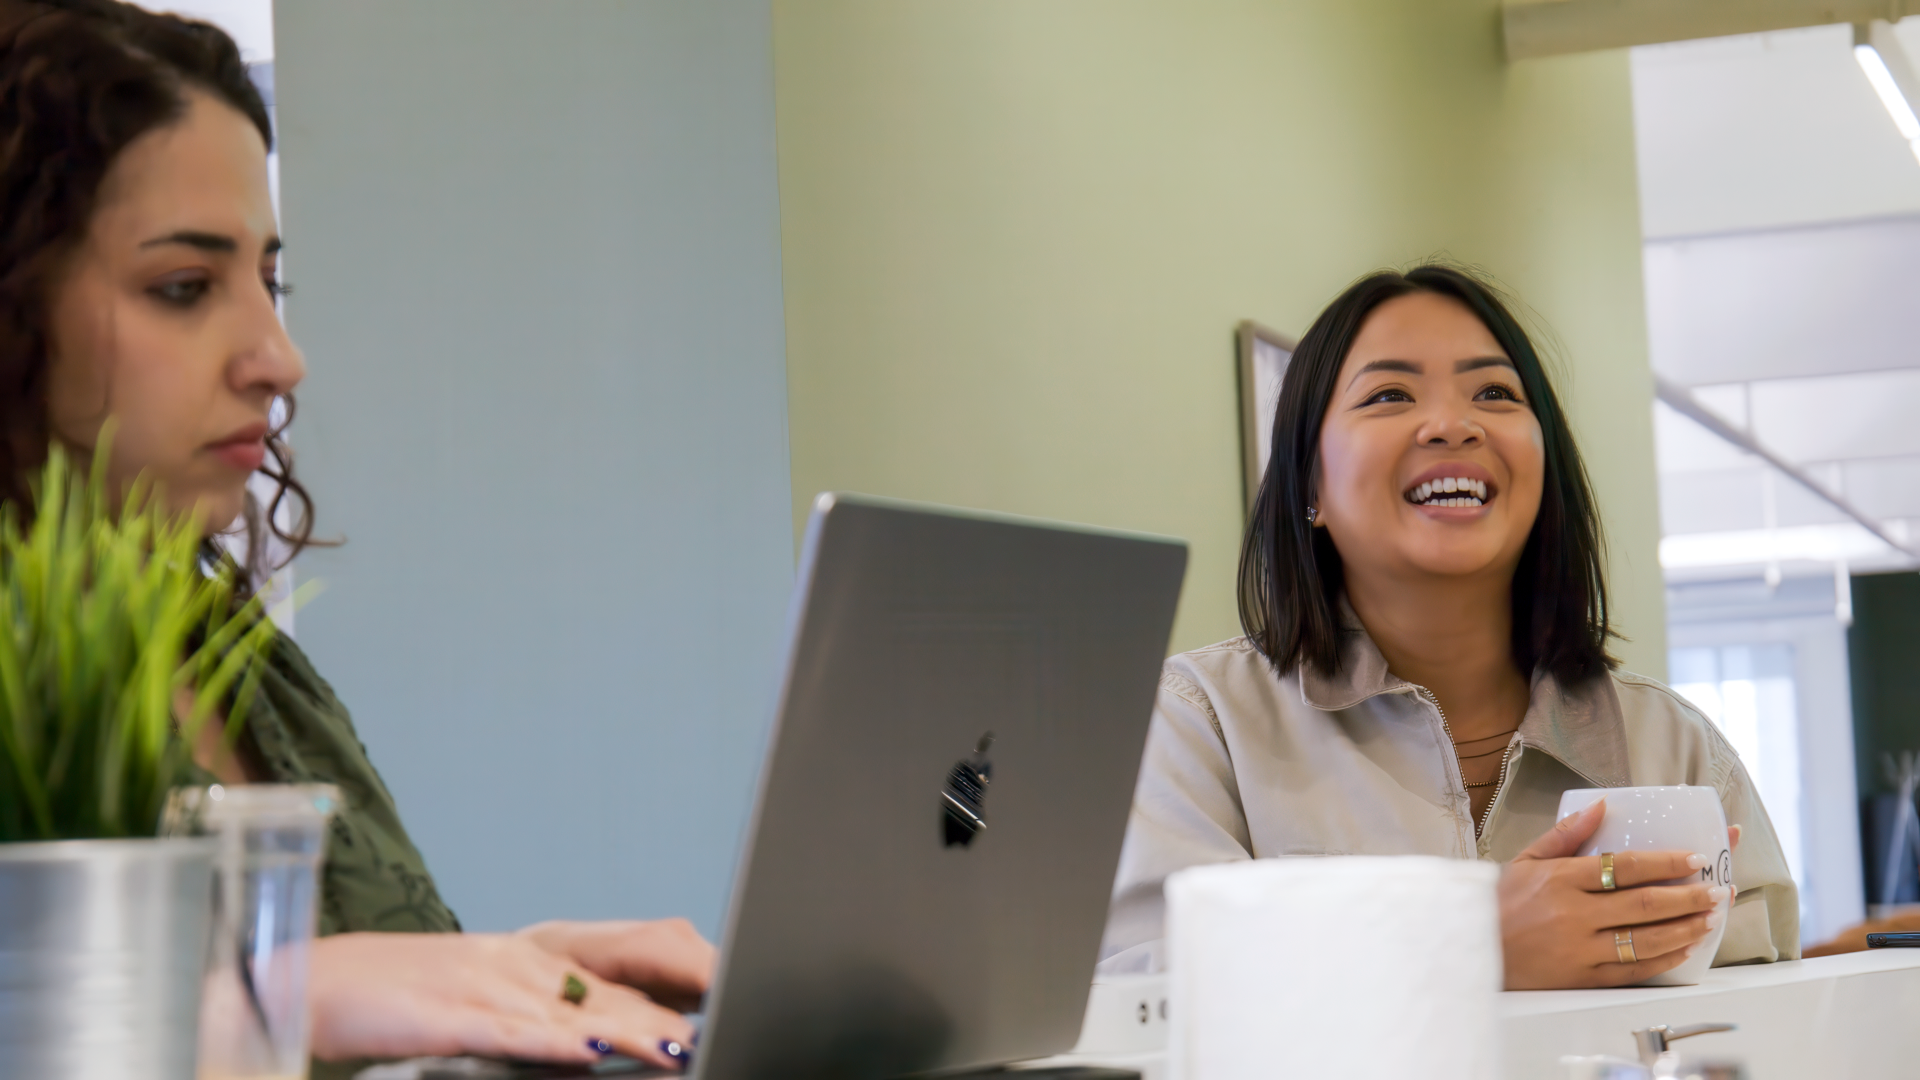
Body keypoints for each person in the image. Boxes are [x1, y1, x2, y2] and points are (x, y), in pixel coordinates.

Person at [2, 0, 707, 1069]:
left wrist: (504, 975)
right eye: (185, 287)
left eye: (267, 280)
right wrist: (286, 999)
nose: (278, 358)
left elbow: (340, 1003)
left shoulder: (248, 670)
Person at [1102, 266, 1800, 989]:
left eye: (1495, 393)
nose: (1451, 424)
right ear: (1310, 485)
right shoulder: (1199, 723)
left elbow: (1772, 1016)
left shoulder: (1677, 748)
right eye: (1389, 395)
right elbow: (1145, 997)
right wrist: (1466, 945)